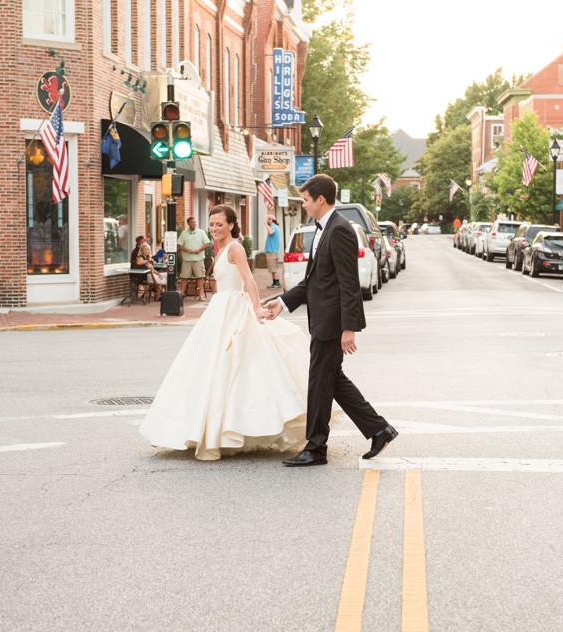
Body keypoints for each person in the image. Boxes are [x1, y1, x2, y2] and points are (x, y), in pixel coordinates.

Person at [140, 205, 309, 460]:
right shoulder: (218, 249)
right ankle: (211, 427)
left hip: (234, 308)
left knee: (239, 364)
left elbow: (249, 279)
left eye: (220, 224)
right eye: (212, 224)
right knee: (210, 367)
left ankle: (234, 426)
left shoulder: (236, 248)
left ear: (231, 224)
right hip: (219, 309)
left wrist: (255, 308)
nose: (215, 229)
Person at [265, 174, 398, 467]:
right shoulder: (323, 229)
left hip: (332, 322)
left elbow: (349, 284)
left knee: (319, 383)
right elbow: (314, 281)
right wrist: (282, 302)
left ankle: (315, 447)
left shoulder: (339, 230)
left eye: (306, 199)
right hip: (324, 320)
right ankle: (378, 429)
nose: (304, 204)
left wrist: (348, 327)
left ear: (320, 199)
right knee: (331, 381)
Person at [177, 216, 210, 300]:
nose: (194, 224)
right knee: (184, 277)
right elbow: (179, 245)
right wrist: (186, 250)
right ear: (188, 223)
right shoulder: (184, 233)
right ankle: (182, 293)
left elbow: (207, 243)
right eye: (192, 222)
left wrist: (199, 249)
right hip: (187, 259)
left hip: (198, 258)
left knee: (200, 276)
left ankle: (201, 295)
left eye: (195, 222)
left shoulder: (201, 232)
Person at [264, 215, 282, 288]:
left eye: (267, 220)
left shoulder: (273, 227)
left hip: (272, 251)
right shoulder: (274, 227)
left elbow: (271, 232)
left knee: (274, 268)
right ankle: (274, 283)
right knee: (272, 268)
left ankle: (277, 283)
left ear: (270, 220)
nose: (267, 221)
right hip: (271, 251)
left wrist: (265, 225)